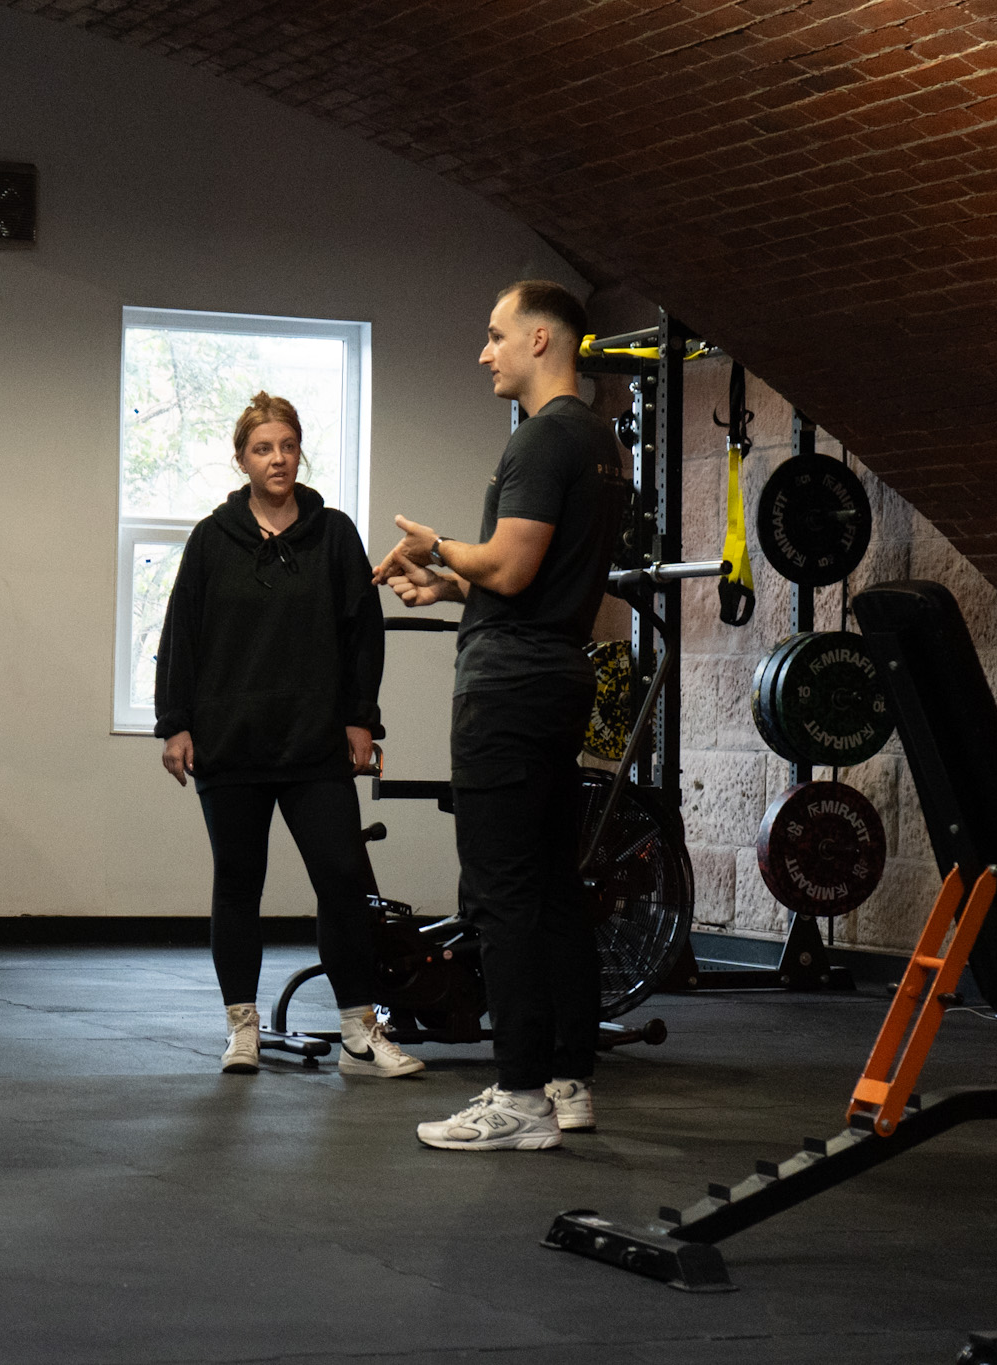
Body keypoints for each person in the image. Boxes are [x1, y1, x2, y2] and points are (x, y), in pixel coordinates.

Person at [372, 281, 628, 1151]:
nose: (485, 353)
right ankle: (567, 1079)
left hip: (508, 690)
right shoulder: (599, 439)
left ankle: (517, 1094)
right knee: (553, 887)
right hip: (553, 674)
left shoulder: (540, 439)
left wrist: (435, 544)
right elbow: (533, 580)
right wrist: (449, 586)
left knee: (504, 895)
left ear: (542, 339)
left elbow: (513, 570)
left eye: (495, 336)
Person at [153, 392, 421, 1079]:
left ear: (301, 453)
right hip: (230, 743)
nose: (277, 458)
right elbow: (181, 636)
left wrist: (362, 717)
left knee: (340, 879)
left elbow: (364, 633)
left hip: (313, 745)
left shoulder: (333, 534)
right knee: (239, 884)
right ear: (242, 459)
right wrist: (175, 724)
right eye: (262, 448)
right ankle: (241, 1029)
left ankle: (361, 1036)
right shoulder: (213, 540)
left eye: (288, 445)